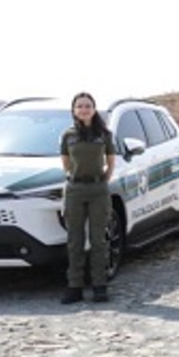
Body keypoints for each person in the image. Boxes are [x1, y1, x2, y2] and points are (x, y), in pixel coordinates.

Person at [59, 91, 116, 304]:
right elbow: (66, 163)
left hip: (98, 190)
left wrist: (102, 181)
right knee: (75, 240)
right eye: (80, 106)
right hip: (75, 190)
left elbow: (110, 162)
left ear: (94, 109)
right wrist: (75, 178)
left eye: (88, 106)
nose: (84, 109)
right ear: (74, 110)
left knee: (98, 239)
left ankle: (99, 286)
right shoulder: (68, 135)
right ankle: (75, 286)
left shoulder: (104, 134)